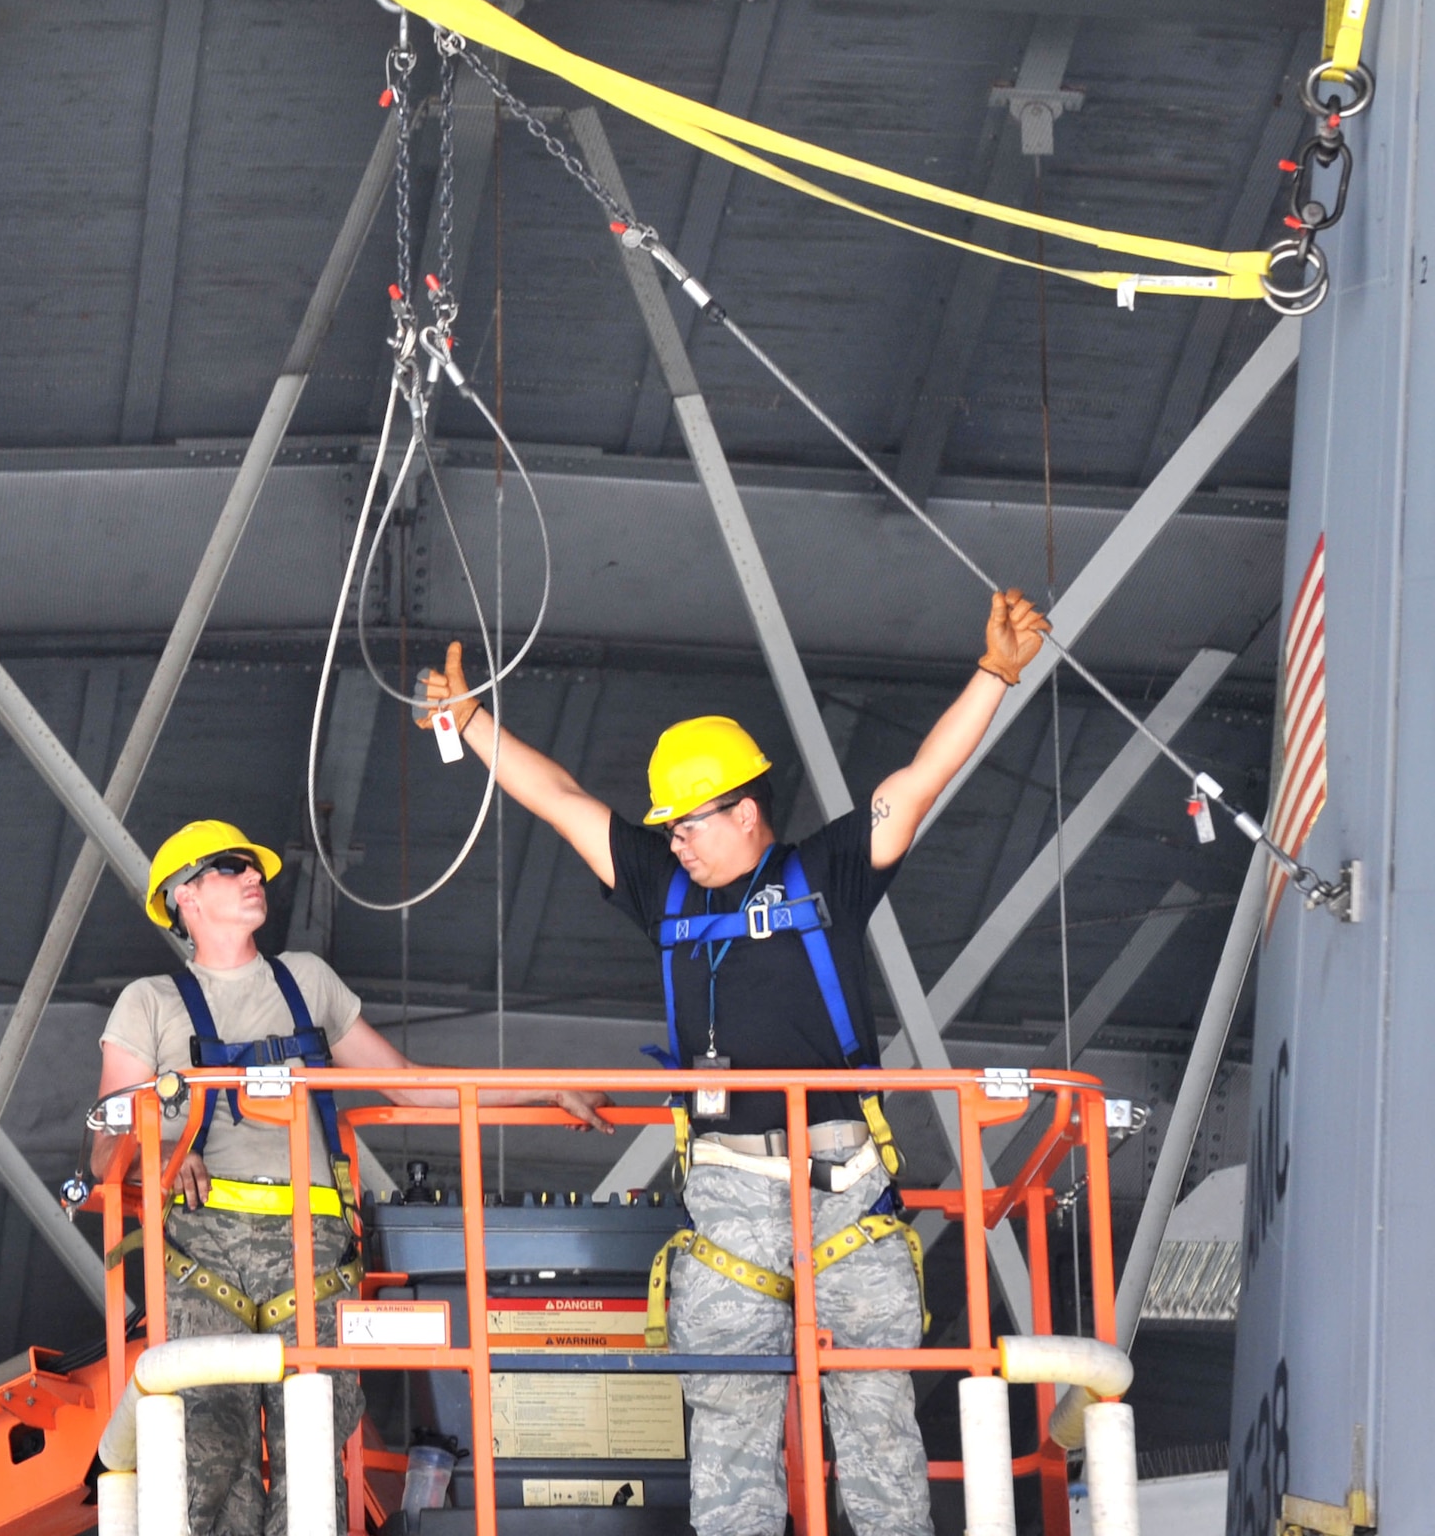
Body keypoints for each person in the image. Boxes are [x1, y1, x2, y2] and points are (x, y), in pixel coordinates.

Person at [419, 589, 1050, 1536]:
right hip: (724, 1190)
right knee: (727, 1426)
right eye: (667, 826)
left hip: (843, 1182)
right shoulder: (658, 887)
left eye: (689, 821)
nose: (673, 838)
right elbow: (558, 800)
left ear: (747, 811)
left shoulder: (828, 871)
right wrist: (469, 724)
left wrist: (994, 675)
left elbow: (919, 780)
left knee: (877, 1417)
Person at [95, 818, 609, 1536]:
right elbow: (107, 1144)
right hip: (201, 1259)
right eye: (232, 868)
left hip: (313, 1254)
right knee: (209, 1454)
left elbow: (408, 1086)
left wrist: (540, 1088)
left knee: (314, 1455)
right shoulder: (148, 1003)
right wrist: (171, 1151)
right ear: (183, 896)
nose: (255, 878)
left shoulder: (305, 981)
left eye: (256, 868)